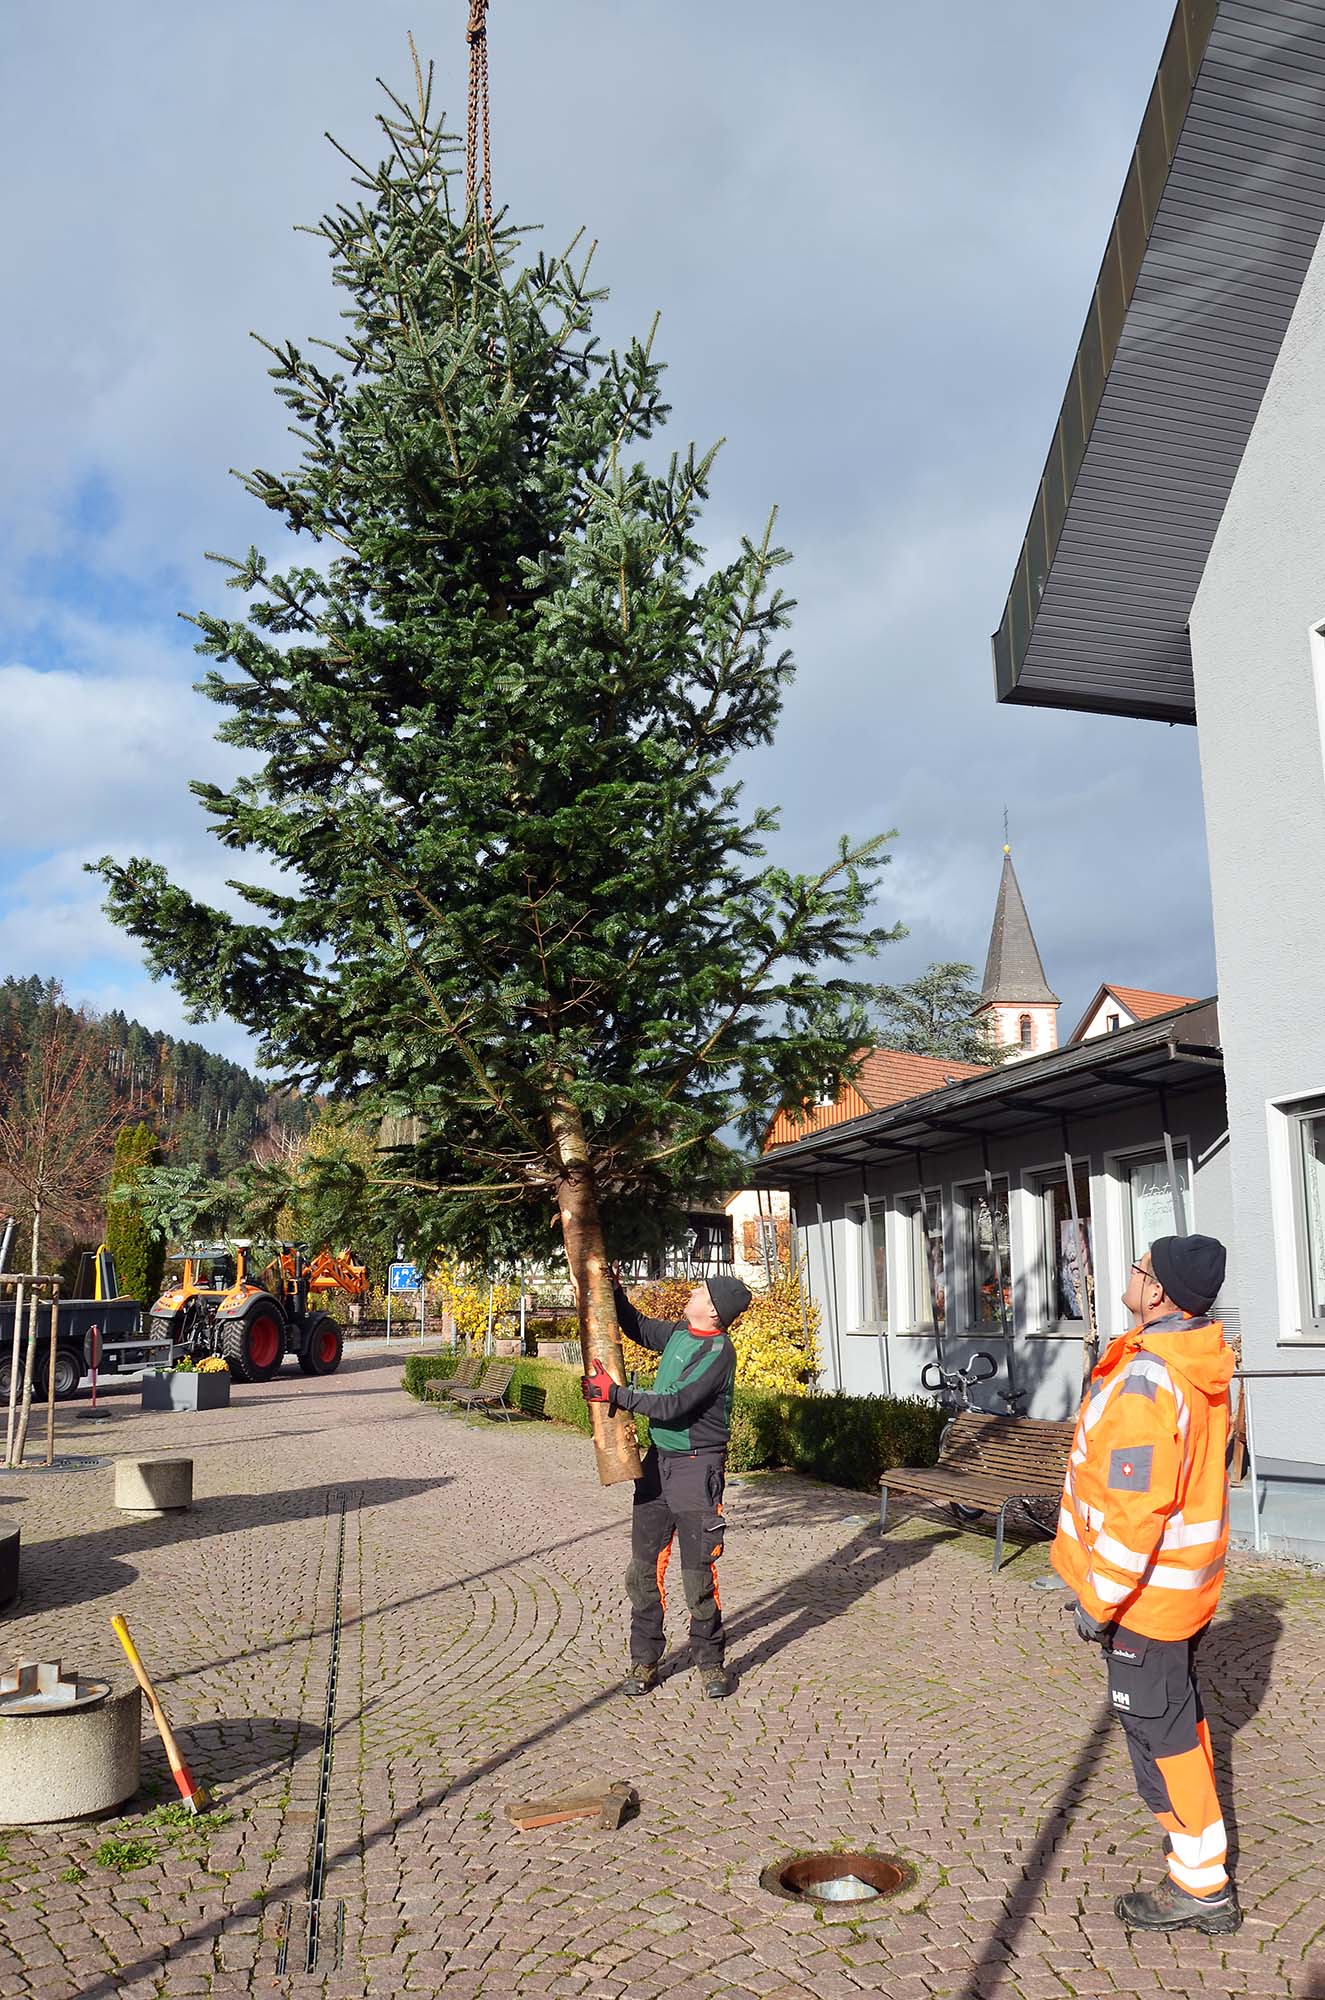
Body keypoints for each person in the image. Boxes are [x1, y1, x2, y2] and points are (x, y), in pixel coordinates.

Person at [1051, 1233, 1239, 1934]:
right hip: (1176, 1592)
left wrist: (1097, 1601)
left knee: (1159, 1738)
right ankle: (1198, 1865)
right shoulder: (1191, 1362)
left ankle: (1199, 1885)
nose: (1126, 1277)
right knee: (1175, 1725)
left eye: (1135, 1269)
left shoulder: (1146, 1378)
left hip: (1141, 1599)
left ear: (1155, 1292)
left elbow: (1135, 1512)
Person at [582, 1271, 750, 1699]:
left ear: (713, 1310)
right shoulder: (679, 1332)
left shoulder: (718, 1352)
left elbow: (674, 1404)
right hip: (658, 1464)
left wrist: (614, 1394)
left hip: (698, 1469)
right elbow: (636, 1326)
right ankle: (645, 1660)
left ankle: (711, 1663)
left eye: (699, 1289)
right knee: (642, 1571)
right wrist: (613, 1292)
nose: (692, 1291)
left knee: (697, 1573)